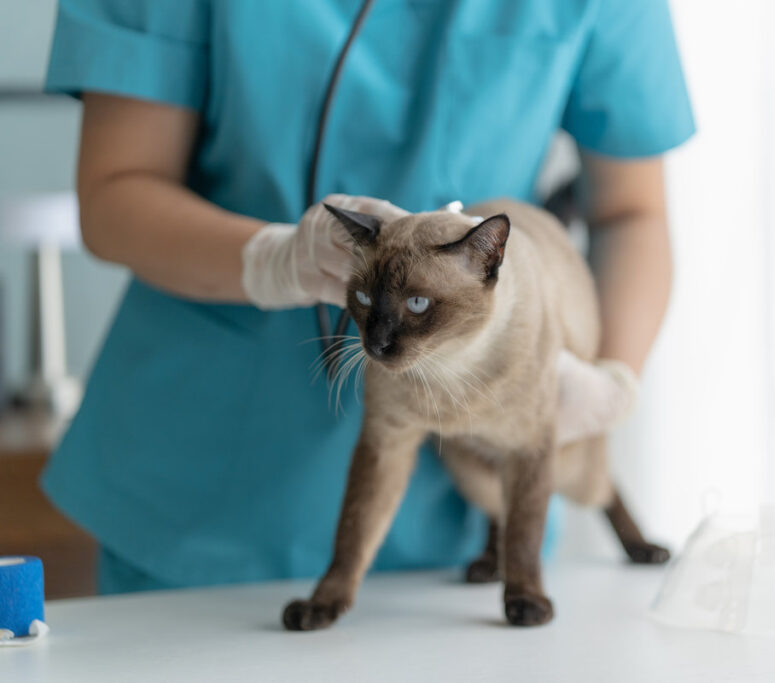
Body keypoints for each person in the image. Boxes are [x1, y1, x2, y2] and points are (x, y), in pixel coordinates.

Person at [43, 0, 696, 593]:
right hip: (202, 488)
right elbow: (115, 190)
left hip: (464, 515)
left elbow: (629, 213)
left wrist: (611, 378)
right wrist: (271, 261)